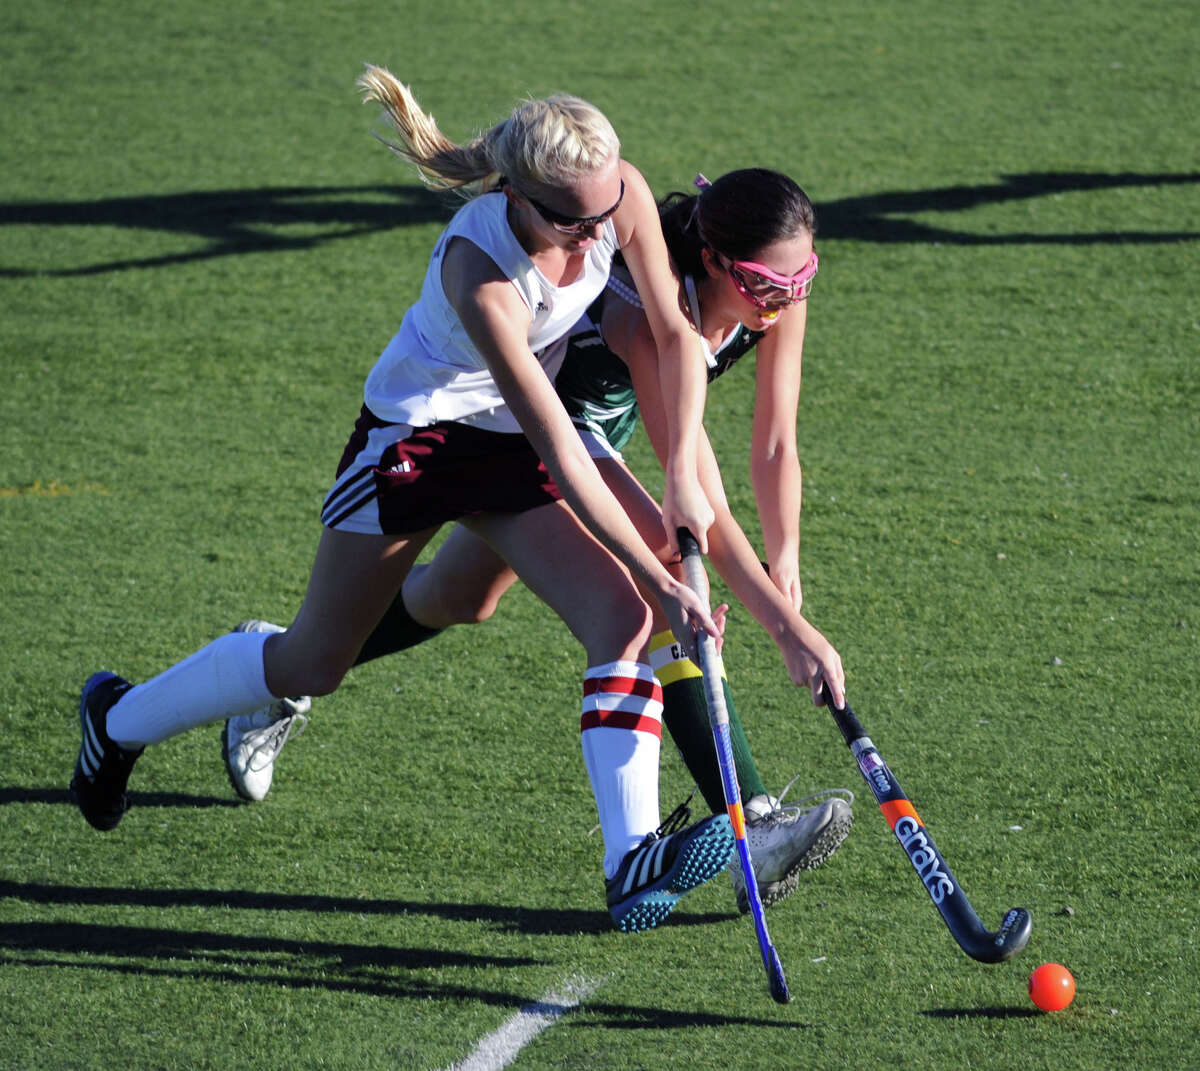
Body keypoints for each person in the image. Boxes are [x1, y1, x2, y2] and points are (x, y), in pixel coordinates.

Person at [71, 63, 738, 934]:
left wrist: (682, 468)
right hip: (416, 446)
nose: (592, 242)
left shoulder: (616, 196)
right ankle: (115, 719)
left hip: (505, 437)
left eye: (605, 215)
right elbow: (560, 452)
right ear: (520, 198)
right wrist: (663, 575)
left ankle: (630, 860)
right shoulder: (481, 269)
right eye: (572, 225)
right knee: (312, 663)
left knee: (620, 620)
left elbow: (677, 335)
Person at [224, 169, 854, 915]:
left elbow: (776, 443)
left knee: (461, 597)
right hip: (537, 433)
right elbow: (699, 502)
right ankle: (755, 822)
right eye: (767, 285)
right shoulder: (648, 317)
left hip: (591, 437)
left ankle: (281, 667)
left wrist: (786, 560)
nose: (785, 300)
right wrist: (788, 630)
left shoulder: (778, 295)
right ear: (715, 260)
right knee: (658, 576)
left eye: (801, 277)